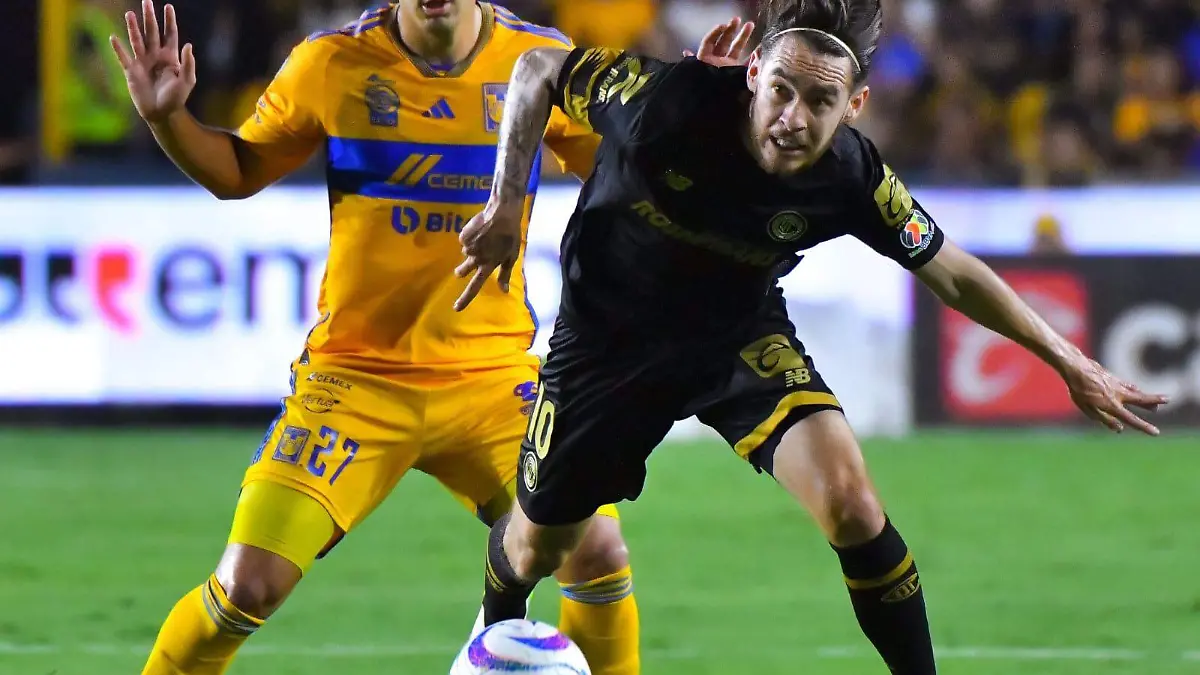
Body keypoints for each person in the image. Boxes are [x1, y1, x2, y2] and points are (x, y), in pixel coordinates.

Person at [453, 0, 1169, 672]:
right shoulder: (666, 103)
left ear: (854, 105)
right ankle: (492, 630)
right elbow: (537, 69)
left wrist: (1070, 361)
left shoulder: (851, 174)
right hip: (607, 345)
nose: (793, 118)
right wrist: (506, 203)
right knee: (536, 547)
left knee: (852, 503)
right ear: (753, 74)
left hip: (735, 337)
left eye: (821, 101)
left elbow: (952, 271)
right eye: (782, 91)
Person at [109, 2, 753, 674]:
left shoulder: (542, 61)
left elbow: (642, 168)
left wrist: (695, 115)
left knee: (597, 553)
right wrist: (168, 118)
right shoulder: (332, 63)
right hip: (356, 381)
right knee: (246, 587)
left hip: (492, 380)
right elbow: (238, 171)